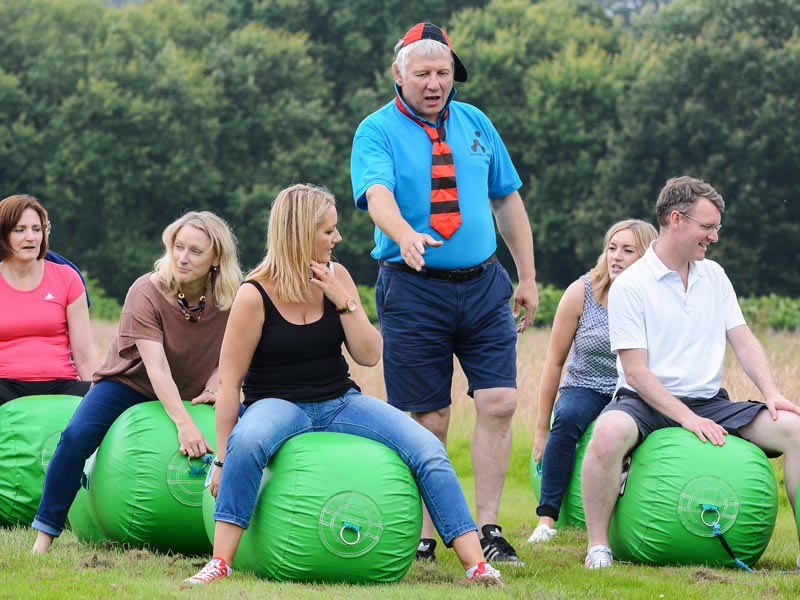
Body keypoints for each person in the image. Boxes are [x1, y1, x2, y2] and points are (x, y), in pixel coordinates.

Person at [185, 184, 501, 586]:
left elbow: (370, 354)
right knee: (248, 443)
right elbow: (229, 385)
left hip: (339, 400)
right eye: (328, 231)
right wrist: (222, 459)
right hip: (277, 404)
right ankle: (221, 563)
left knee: (428, 447)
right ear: (301, 233)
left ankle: (476, 566)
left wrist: (343, 300)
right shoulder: (254, 293)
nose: (337, 238)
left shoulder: (338, 276)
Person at [350, 22, 537, 565]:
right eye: (423, 73)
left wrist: (526, 276)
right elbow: (376, 192)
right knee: (428, 417)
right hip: (413, 289)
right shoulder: (376, 130)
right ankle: (427, 533)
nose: (434, 83)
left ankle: (490, 527)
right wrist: (405, 233)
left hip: (484, 285)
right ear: (399, 74)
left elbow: (507, 200)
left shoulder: (477, 122)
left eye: (443, 72)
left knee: (500, 401)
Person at [580, 176, 800, 569]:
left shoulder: (714, 277)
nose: (714, 237)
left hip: (710, 401)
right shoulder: (631, 285)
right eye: (708, 226)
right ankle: (598, 546)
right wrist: (687, 418)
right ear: (677, 220)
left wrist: (771, 392)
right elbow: (636, 371)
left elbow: (744, 340)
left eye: (716, 227)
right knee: (609, 431)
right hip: (643, 401)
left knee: (796, 429)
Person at [32, 211, 242, 553]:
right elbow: (156, 366)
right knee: (75, 437)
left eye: (196, 251)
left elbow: (232, 354)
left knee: (247, 433)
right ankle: (45, 535)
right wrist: (184, 423)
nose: (183, 258)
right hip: (130, 383)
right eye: (178, 247)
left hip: (195, 386)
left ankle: (233, 540)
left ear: (217, 258)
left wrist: (216, 386)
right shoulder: (147, 290)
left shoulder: (231, 297)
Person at [528, 219, 657, 543]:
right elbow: (554, 362)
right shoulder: (582, 291)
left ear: (646, 257)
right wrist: (542, 428)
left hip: (631, 390)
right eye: (612, 248)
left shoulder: (656, 298)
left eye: (627, 251)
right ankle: (546, 520)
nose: (616, 257)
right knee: (569, 418)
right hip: (585, 385)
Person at [0, 194, 98, 404]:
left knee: (111, 394)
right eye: (20, 229)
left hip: (61, 385)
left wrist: (98, 395)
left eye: (37, 229)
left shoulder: (67, 277)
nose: (31, 237)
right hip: (4, 386)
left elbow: (85, 355)